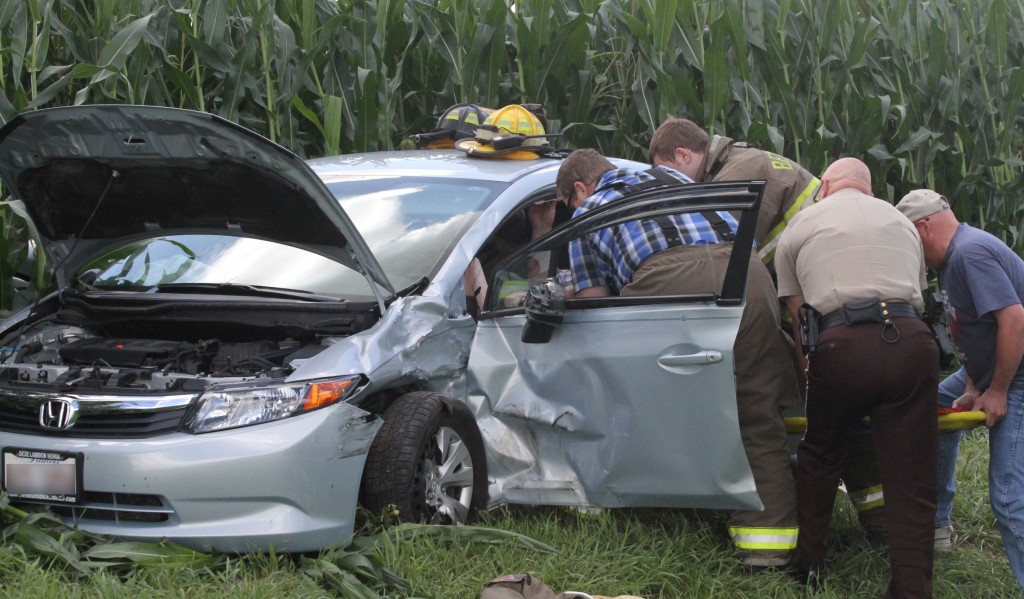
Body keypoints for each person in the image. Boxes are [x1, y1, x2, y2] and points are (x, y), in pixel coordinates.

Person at [556, 149, 800, 570]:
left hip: (666, 281)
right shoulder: (677, 180)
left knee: (648, 410)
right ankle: (768, 549)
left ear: (580, 188)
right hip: (748, 276)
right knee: (756, 412)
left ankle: (658, 515)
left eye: (570, 202)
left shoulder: (590, 210)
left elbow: (593, 303)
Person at [650, 118, 888, 540]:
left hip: (817, 301)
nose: (675, 189)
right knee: (855, 413)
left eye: (672, 174)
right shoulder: (751, 160)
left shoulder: (733, 178)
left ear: (684, 155)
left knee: (833, 411)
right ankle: (884, 521)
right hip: (829, 299)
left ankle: (852, 524)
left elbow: (721, 255)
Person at [775, 157, 938, 596]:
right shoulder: (902, 222)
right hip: (911, 341)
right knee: (912, 476)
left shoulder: (803, 223)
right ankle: (912, 588)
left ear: (825, 185)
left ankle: (809, 564)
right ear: (868, 188)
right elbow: (916, 294)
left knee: (820, 456)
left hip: (841, 344)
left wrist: (812, 376)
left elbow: (797, 315)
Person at [895, 189, 1024, 589]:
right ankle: (936, 525)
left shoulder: (970, 253)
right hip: (995, 371)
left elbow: (1015, 320)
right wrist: (972, 380)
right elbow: (975, 327)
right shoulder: (953, 258)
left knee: (1007, 497)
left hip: (1019, 377)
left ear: (923, 227)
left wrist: (997, 389)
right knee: (932, 403)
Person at [648, 117, 821, 270]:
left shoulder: (732, 179)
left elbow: (725, 254)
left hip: (817, 256)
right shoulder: (738, 160)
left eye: (667, 171)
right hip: (814, 250)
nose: (668, 182)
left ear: (683, 155)